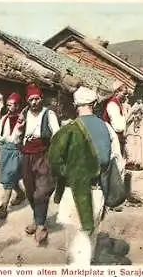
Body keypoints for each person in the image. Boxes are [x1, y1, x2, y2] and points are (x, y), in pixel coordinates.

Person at [48, 86, 123, 265]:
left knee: (72, 238)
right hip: (96, 190)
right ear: (94, 104)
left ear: (76, 105)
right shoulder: (106, 127)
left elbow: (54, 162)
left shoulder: (67, 128)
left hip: (71, 190)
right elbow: (116, 161)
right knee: (88, 238)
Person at [17, 83, 60, 245]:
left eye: (37, 99)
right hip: (27, 154)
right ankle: (37, 219)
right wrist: (19, 129)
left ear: (41, 99)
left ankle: (41, 225)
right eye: (31, 100)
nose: (34, 102)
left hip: (43, 154)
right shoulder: (24, 113)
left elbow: (56, 134)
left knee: (41, 191)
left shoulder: (48, 114)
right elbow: (18, 132)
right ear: (27, 101)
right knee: (29, 189)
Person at [0, 93, 26, 220]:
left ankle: (3, 206)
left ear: (18, 105)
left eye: (11, 105)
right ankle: (20, 194)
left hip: (16, 151)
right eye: (7, 105)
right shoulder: (4, 118)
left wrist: (3, 139)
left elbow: (16, 137)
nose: (9, 107)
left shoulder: (23, 119)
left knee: (9, 177)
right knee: (9, 177)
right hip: (5, 151)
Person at [101, 80, 128, 158]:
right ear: (117, 92)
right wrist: (127, 114)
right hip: (111, 136)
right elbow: (118, 127)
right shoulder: (112, 104)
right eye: (124, 94)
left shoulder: (118, 102)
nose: (125, 96)